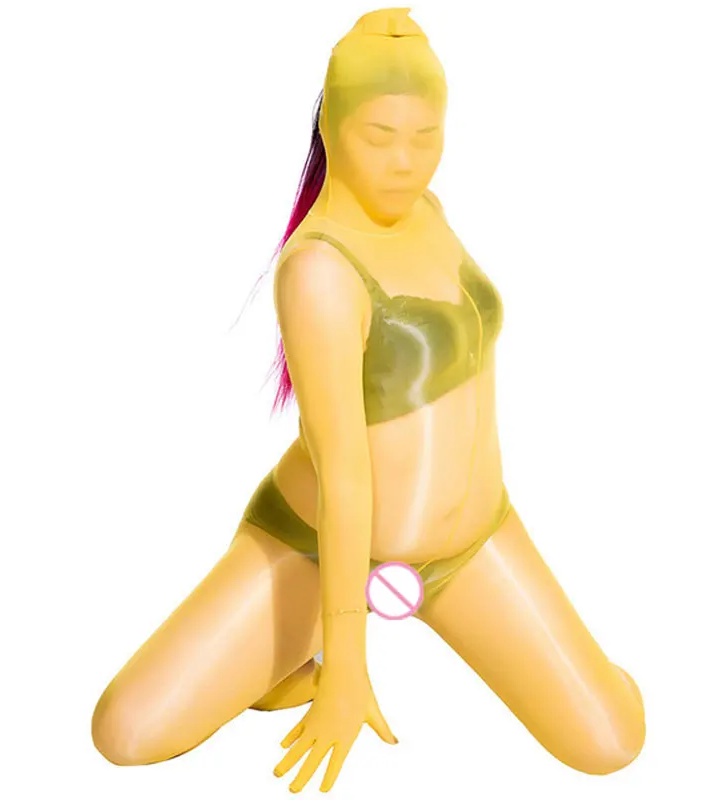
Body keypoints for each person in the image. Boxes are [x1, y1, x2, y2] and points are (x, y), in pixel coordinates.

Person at [91, 7, 645, 792]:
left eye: (427, 136)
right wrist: (344, 670)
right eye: (380, 137)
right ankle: (284, 662)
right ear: (330, 125)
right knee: (126, 731)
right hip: (320, 544)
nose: (405, 163)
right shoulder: (318, 269)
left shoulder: (431, 212)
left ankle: (276, 653)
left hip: (473, 542)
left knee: (612, 743)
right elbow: (346, 473)